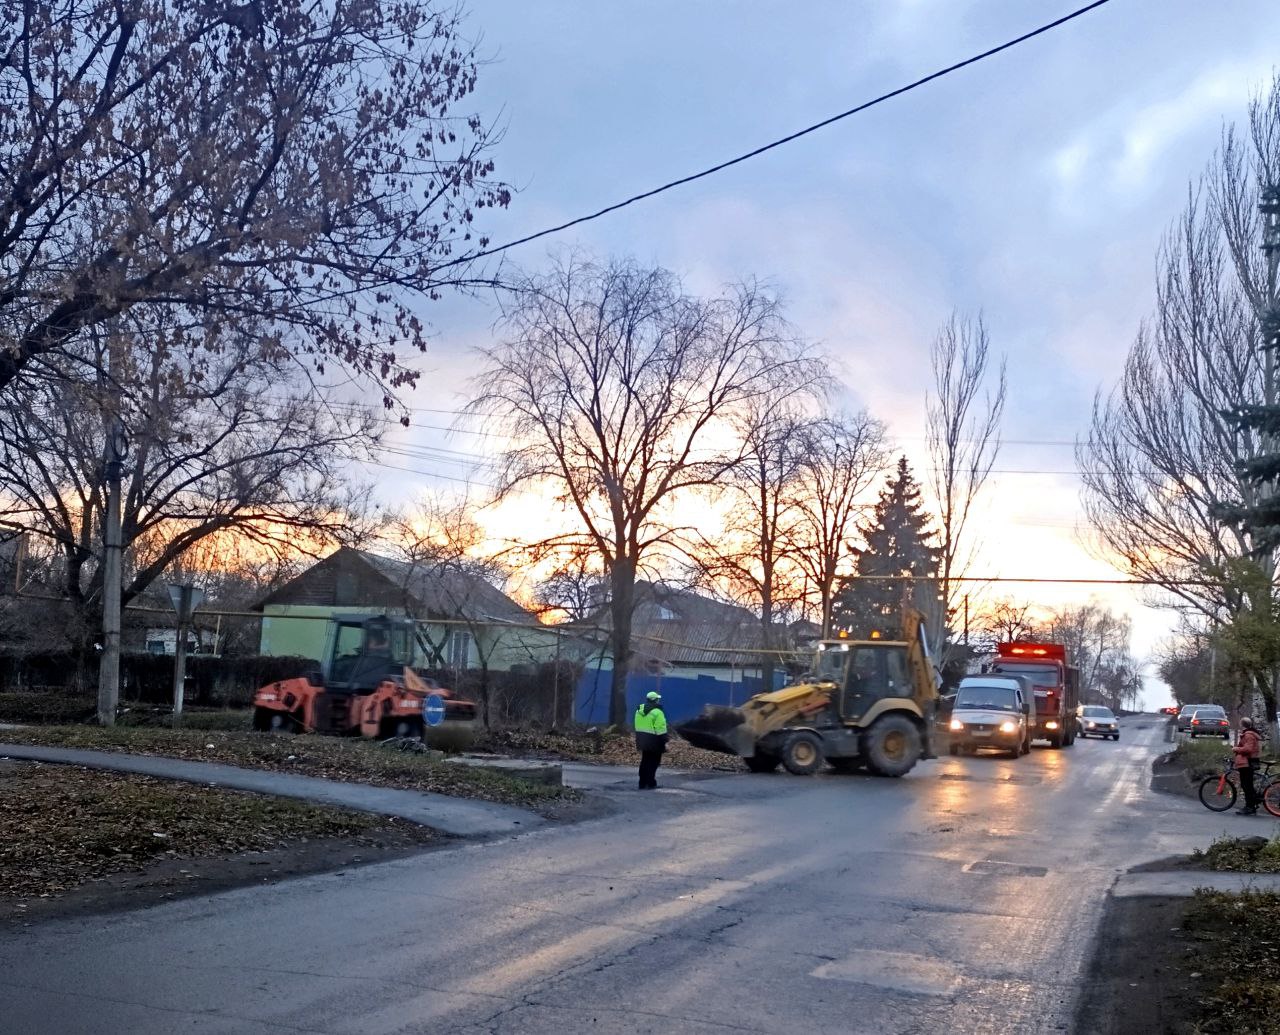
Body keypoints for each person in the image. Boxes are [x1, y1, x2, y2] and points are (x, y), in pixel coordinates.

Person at [633, 691, 669, 790]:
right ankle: (651, 783)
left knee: (645, 760)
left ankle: (642, 782)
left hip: (642, 739)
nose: (659, 700)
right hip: (654, 741)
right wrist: (665, 741)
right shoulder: (658, 712)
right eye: (658, 699)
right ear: (655, 700)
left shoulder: (639, 710)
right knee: (654, 762)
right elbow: (660, 728)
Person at [1234, 717, 1263, 816]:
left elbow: (1248, 749)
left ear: (1242, 725)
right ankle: (1252, 804)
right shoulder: (1249, 734)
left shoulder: (1248, 735)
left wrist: (1236, 749)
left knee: (1247, 785)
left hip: (1247, 763)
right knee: (1247, 785)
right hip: (1246, 763)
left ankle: (1249, 807)